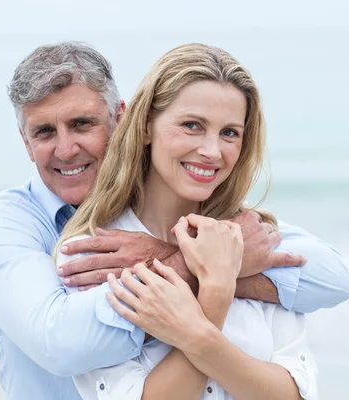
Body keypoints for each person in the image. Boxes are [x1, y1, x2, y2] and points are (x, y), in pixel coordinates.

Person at [0, 41, 349, 400]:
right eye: (45, 132)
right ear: (25, 142)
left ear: (121, 119)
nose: (67, 149)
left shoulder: (233, 233)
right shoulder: (70, 247)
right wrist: (208, 274)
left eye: (83, 124)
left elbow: (331, 279)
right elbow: (62, 343)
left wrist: (189, 258)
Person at [55, 43, 320, 400]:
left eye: (229, 133)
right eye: (192, 125)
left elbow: (295, 394)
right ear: (146, 125)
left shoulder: (255, 239)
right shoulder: (91, 256)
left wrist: (209, 299)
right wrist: (213, 294)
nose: (212, 151)